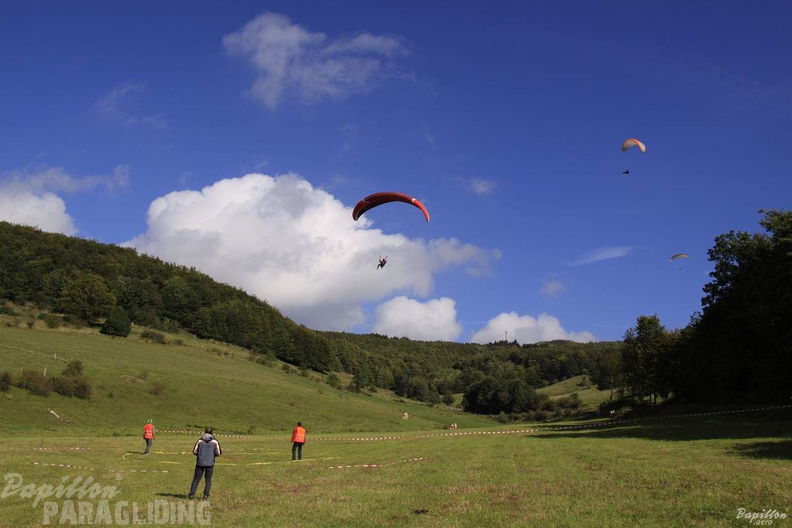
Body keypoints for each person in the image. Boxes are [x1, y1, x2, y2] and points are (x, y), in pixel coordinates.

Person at [189, 428, 222, 500]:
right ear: (212, 433)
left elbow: (194, 451)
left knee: (196, 479)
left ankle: (192, 494)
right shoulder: (215, 442)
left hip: (200, 463)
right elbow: (218, 453)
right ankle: (206, 495)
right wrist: (212, 456)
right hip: (210, 463)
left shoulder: (200, 441)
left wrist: (201, 455)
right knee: (208, 480)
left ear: (205, 432)